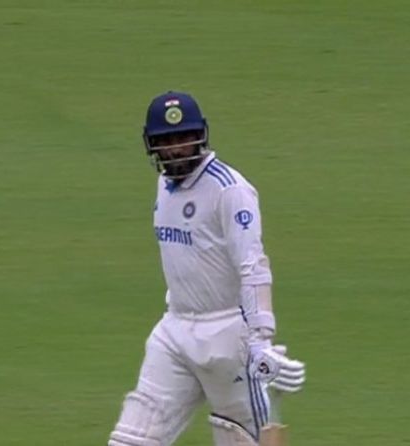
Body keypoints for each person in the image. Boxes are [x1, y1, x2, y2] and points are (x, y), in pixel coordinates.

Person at [108, 92, 306, 446]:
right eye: (166, 141)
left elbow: (253, 266)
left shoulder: (230, 190)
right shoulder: (165, 185)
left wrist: (261, 341)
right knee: (130, 440)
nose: (176, 149)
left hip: (228, 336)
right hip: (175, 329)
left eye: (184, 138)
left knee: (240, 439)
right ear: (152, 145)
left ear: (201, 136)